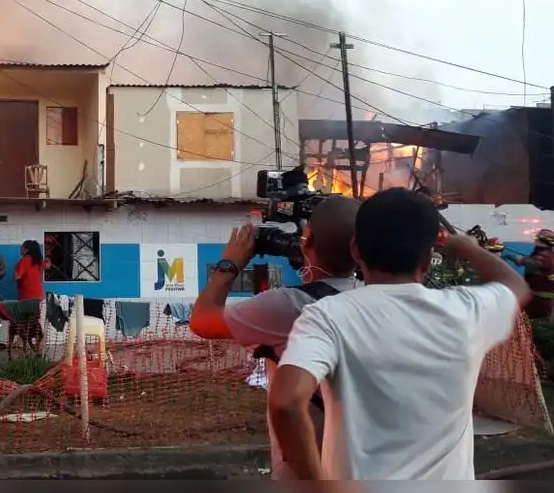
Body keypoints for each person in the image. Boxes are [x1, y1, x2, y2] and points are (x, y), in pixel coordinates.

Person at [269, 187, 531, 480]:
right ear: (428, 256)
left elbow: (286, 402)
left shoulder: (329, 316)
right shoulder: (466, 311)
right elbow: (516, 286)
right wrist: (469, 248)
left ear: (356, 250)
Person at [188, 195, 362, 480]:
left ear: (307, 238)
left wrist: (230, 263)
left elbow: (201, 320)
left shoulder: (288, 307)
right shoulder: (375, 301)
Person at [504, 229, 554, 320]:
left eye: (538, 239)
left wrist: (516, 258)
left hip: (540, 301)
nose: (536, 241)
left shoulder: (545, 255)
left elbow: (534, 263)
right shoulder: (544, 253)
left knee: (538, 324)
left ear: (543, 241)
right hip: (537, 299)